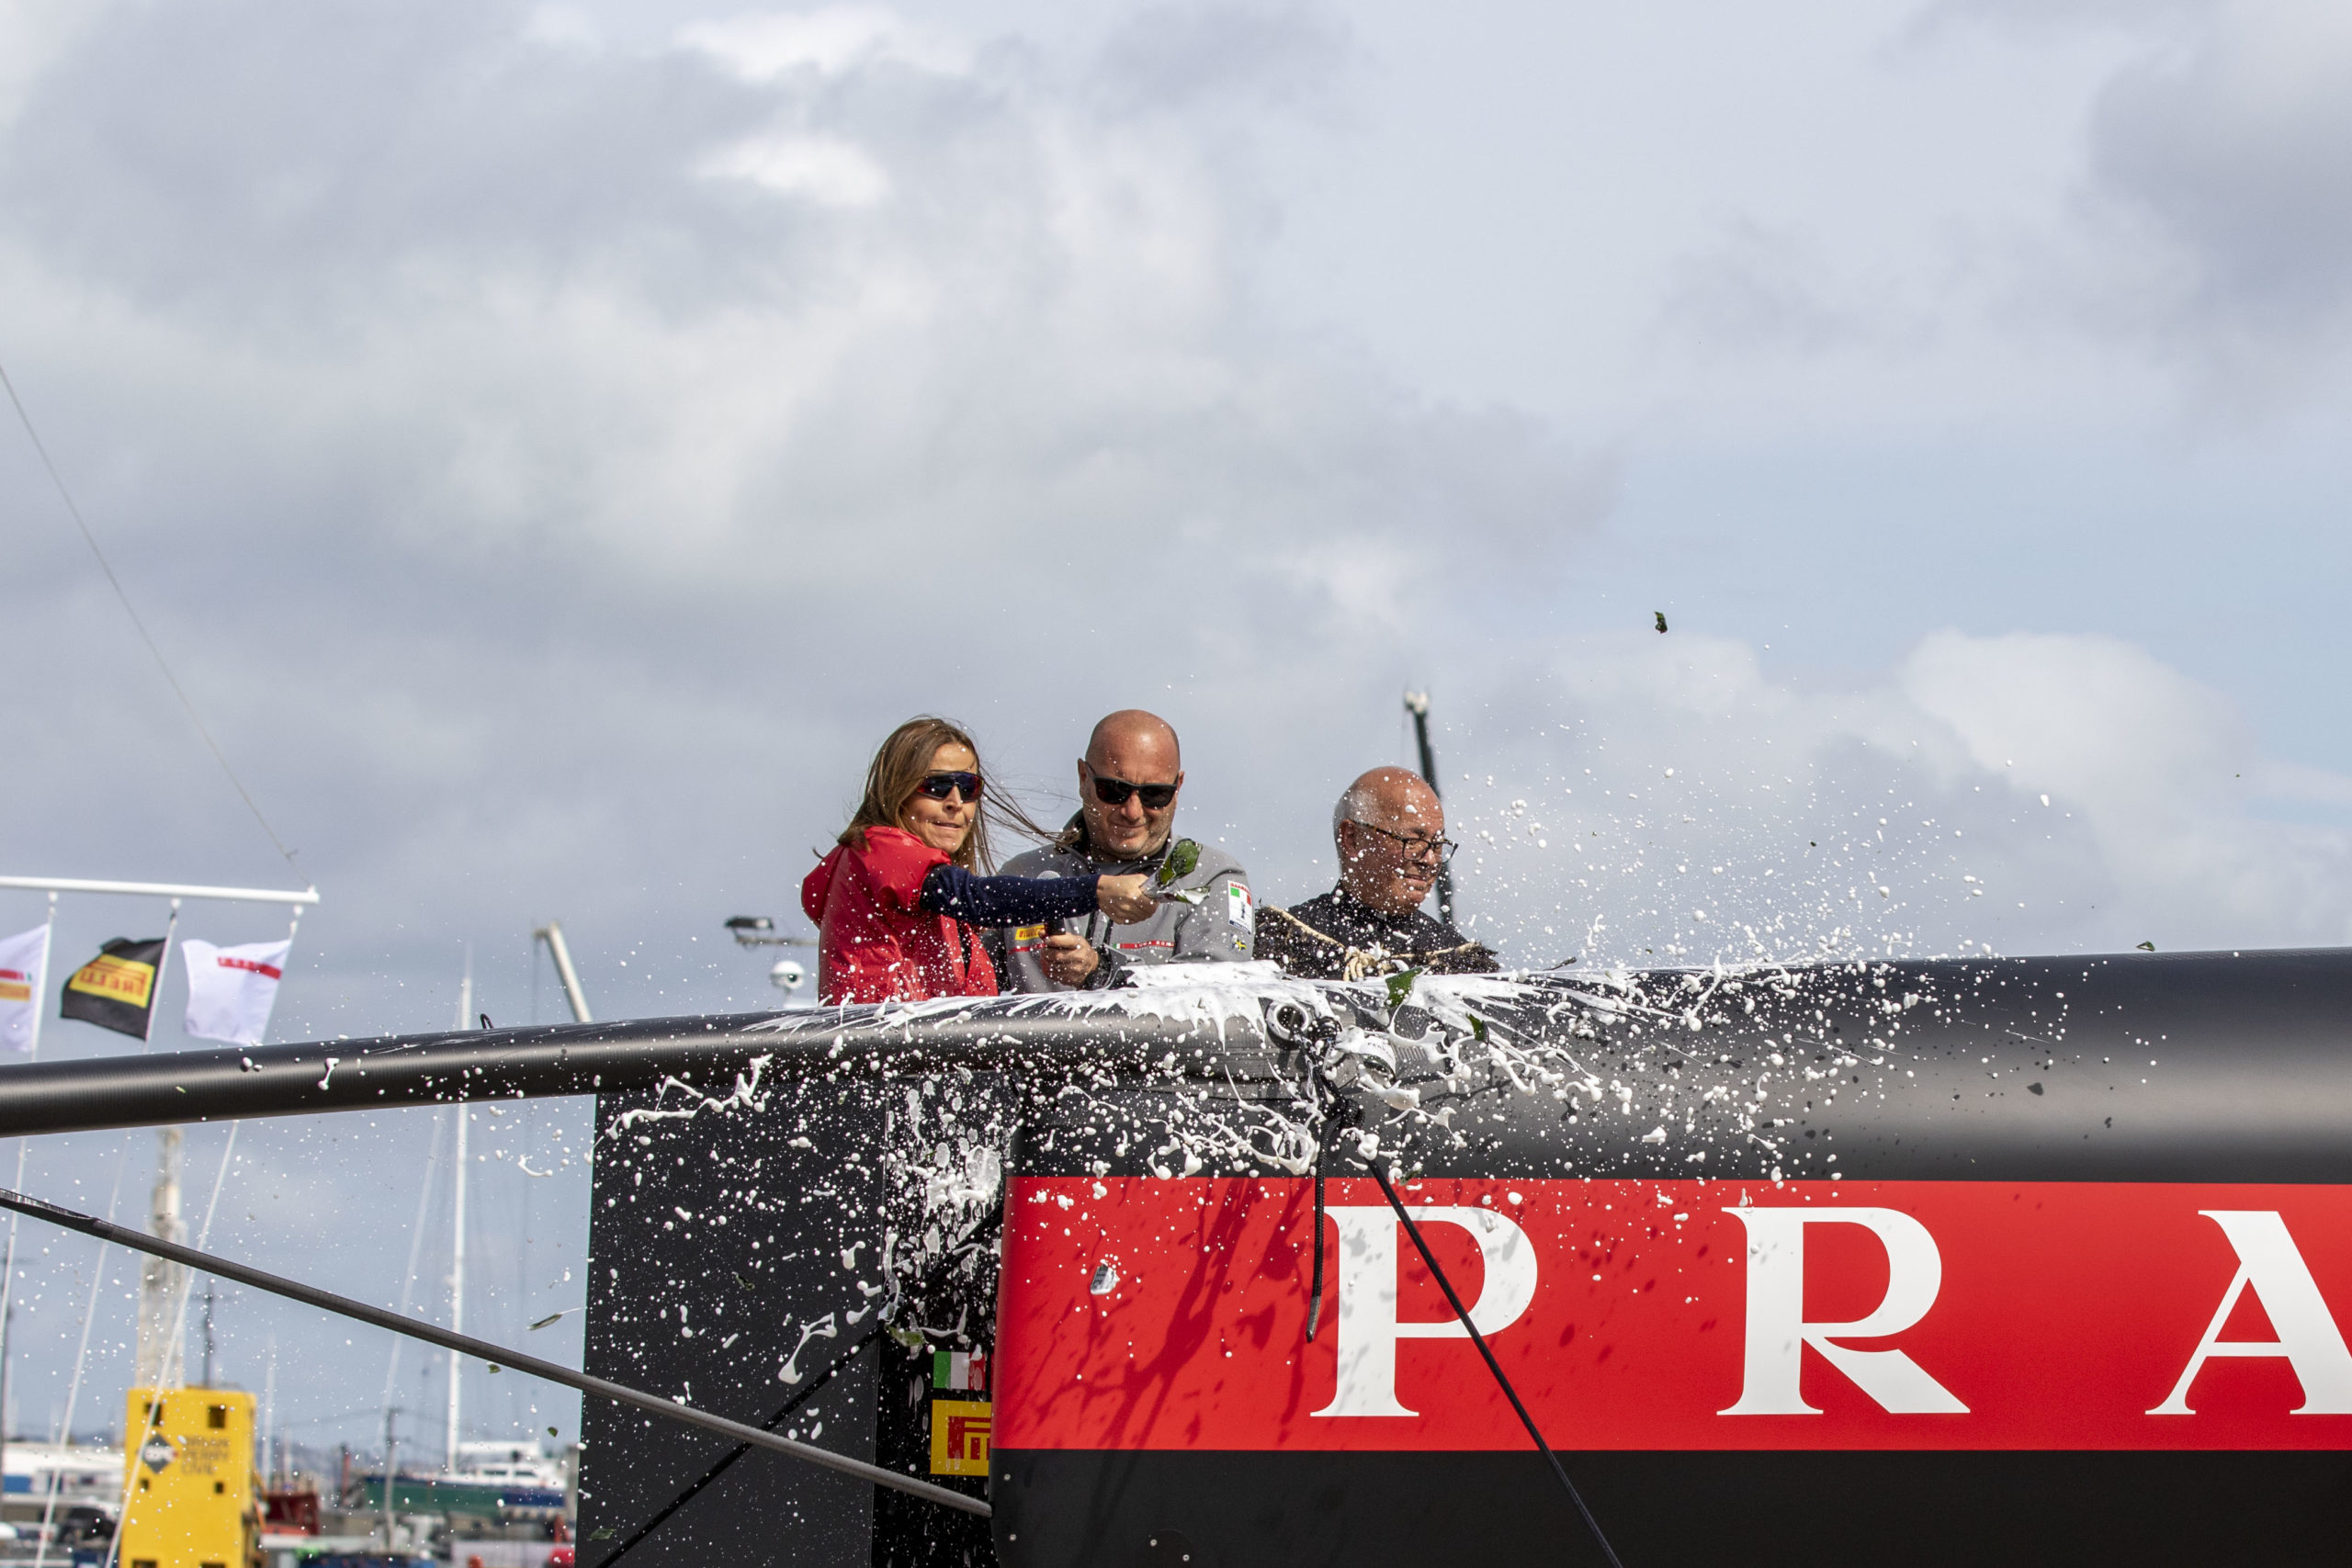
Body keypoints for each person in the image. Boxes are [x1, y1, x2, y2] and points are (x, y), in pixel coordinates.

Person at [801, 716, 1159, 1004]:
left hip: (926, 1067)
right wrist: (1097, 890)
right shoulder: (879, 850)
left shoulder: (930, 891)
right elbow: (980, 900)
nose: (956, 802)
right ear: (897, 792)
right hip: (885, 1069)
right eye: (937, 786)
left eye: (968, 787)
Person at [989, 709, 1254, 991]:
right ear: (1082, 778)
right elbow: (968, 994)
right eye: (1114, 790)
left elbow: (1215, 996)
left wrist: (1101, 971)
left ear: (1178, 788)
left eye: (1154, 794)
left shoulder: (1214, 879)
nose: (1132, 811)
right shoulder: (1021, 875)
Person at [1256, 766, 1499, 980]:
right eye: (1412, 841)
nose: (1429, 859)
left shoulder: (1460, 963)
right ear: (1351, 839)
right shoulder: (1284, 941)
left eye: (1437, 845)